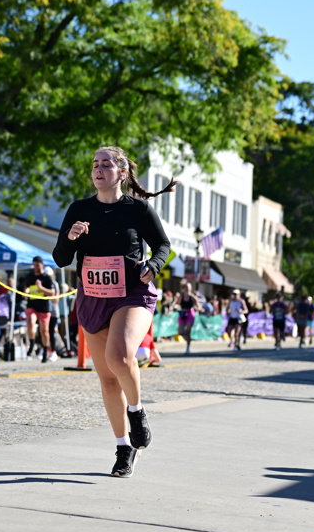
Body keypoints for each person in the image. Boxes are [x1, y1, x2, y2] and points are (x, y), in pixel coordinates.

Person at [52, 145, 172, 478]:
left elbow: (163, 245)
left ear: (122, 173)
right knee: (107, 378)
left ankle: (137, 411)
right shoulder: (79, 209)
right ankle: (123, 448)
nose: (98, 169)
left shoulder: (138, 209)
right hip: (93, 296)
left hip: (132, 293)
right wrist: (70, 237)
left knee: (119, 357)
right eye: (95, 164)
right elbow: (61, 258)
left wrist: (154, 265)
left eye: (106, 164)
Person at [22, 256, 57, 363]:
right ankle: (31, 344)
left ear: (42, 265)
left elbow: (52, 293)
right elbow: (26, 288)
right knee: (30, 322)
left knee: (44, 331)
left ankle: (45, 351)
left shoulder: (47, 278)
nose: (35, 267)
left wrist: (40, 287)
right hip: (32, 305)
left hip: (44, 307)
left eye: (37, 264)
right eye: (34, 265)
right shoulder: (30, 276)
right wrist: (26, 292)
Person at [176, 282, 200, 354]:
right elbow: (177, 303)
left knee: (188, 331)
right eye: (186, 287)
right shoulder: (181, 296)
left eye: (188, 287)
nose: (187, 288)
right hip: (183, 313)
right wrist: (175, 307)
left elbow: (198, 305)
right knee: (180, 332)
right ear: (184, 288)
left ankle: (188, 348)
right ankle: (186, 338)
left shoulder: (193, 297)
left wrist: (198, 308)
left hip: (190, 313)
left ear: (191, 288)